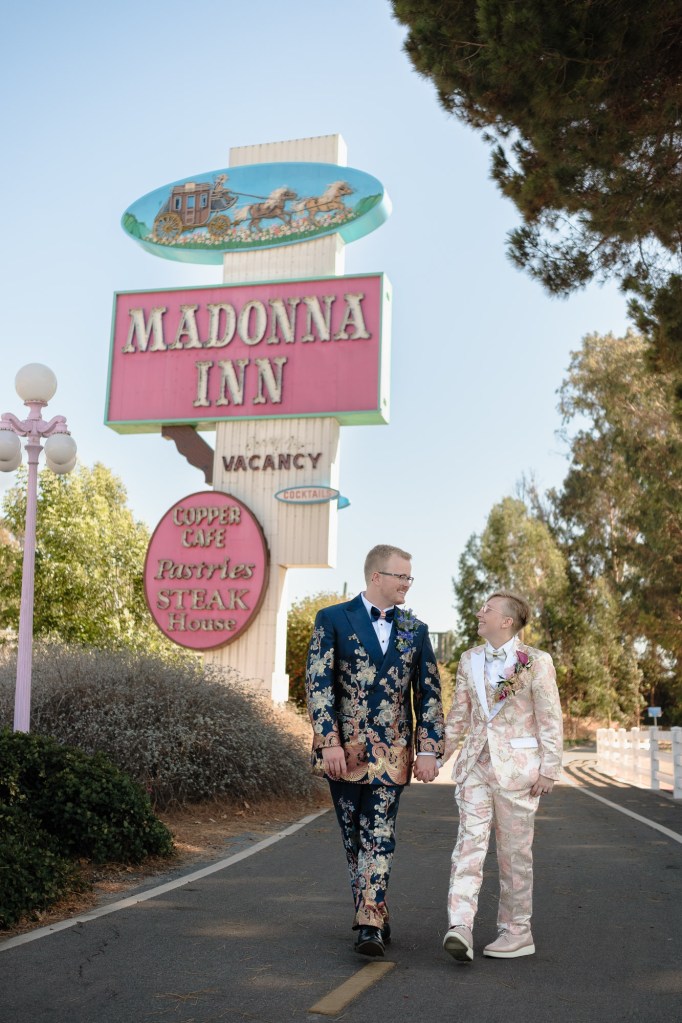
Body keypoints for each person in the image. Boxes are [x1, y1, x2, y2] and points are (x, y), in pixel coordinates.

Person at [305, 543, 444, 957]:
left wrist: (429, 749)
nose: (407, 583)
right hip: (343, 753)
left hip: (393, 754)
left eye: (409, 577)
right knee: (354, 839)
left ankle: (368, 922)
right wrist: (328, 741)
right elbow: (318, 684)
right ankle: (374, 910)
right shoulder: (331, 618)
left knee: (380, 835)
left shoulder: (415, 630)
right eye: (401, 576)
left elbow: (429, 695)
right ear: (376, 577)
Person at [441, 591, 563, 961]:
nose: (479, 613)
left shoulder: (537, 662)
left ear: (507, 621)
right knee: (468, 847)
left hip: (520, 771)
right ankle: (460, 925)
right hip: (476, 765)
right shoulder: (468, 659)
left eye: (487, 610)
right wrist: (434, 754)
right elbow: (459, 715)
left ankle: (517, 931)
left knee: (514, 856)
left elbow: (549, 715)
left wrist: (550, 768)